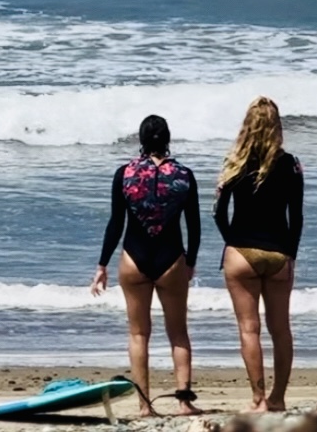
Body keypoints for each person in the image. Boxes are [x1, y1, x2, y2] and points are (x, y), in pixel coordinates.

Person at [91, 115, 201, 416]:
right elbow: (194, 225)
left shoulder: (124, 174)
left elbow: (116, 223)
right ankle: (184, 402)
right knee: (178, 333)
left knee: (139, 334)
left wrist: (102, 265)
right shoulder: (184, 175)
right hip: (172, 259)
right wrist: (190, 262)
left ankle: (144, 405)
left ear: (141, 139)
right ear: (168, 138)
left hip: (133, 259)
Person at [213, 97, 304, 413]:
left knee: (249, 329)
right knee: (281, 329)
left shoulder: (235, 162)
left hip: (242, 254)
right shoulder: (291, 164)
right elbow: (297, 217)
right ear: (277, 127)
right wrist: (291, 255)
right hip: (279, 253)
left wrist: (232, 243)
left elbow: (219, 214)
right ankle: (278, 398)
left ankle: (258, 400)